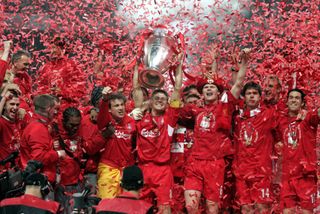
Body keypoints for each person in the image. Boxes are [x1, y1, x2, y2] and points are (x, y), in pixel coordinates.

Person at [180, 48, 249, 214]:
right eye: (205, 88)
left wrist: (245, 63)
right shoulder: (196, 111)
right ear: (201, 92)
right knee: (191, 207)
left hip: (215, 164)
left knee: (212, 208)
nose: (209, 89)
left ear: (219, 92)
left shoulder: (225, 106)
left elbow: (238, 84)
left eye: (212, 87)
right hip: (195, 163)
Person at [133, 53, 183, 213]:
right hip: (143, 169)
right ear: (151, 101)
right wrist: (136, 66)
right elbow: (136, 88)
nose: (161, 100)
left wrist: (179, 65)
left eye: (164, 98)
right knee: (140, 209)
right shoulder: (141, 117)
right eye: (157, 97)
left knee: (165, 208)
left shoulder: (170, 119)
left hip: (163, 171)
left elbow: (177, 89)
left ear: (168, 103)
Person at [233, 81, 278, 213]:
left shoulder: (269, 114)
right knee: (246, 209)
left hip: (261, 172)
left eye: (255, 93)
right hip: (241, 171)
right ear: (244, 97)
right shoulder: (237, 117)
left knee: (262, 208)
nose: (252, 96)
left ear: (260, 97)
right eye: (248, 93)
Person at [86, 90, 136, 199]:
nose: (120, 108)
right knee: (107, 206)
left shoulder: (131, 122)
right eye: (116, 105)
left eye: (122, 104)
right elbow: (102, 116)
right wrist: (104, 99)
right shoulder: (106, 121)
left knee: (126, 206)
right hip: (108, 168)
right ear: (109, 109)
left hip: (126, 170)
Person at [276, 89, 319, 213]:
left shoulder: (309, 117)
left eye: (297, 98)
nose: (293, 100)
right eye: (291, 97)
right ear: (287, 101)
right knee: (287, 211)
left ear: (302, 103)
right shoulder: (281, 121)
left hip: (305, 175)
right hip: (287, 176)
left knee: (306, 212)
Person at [20, 94, 66, 188]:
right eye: (54, 108)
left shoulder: (38, 124)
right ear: (48, 109)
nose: (56, 112)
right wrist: (58, 154)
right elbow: (38, 158)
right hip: (38, 183)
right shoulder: (38, 128)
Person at [36, 37, 87, 108]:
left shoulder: (72, 65)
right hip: (47, 108)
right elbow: (40, 86)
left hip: (66, 109)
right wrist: (47, 91)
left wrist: (61, 91)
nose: (52, 51)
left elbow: (80, 89)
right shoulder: (46, 67)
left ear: (63, 49)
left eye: (54, 48)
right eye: (50, 48)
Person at [52, 107, 85, 214]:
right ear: (63, 122)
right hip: (62, 186)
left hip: (78, 183)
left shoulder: (80, 132)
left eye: (77, 125)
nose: (75, 128)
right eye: (72, 125)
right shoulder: (54, 133)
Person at [0, 84, 21, 168]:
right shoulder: (1, 123)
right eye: (12, 104)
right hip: (4, 172)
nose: (15, 107)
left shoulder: (18, 120)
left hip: (16, 170)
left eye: (17, 104)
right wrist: (4, 97)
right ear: (4, 106)